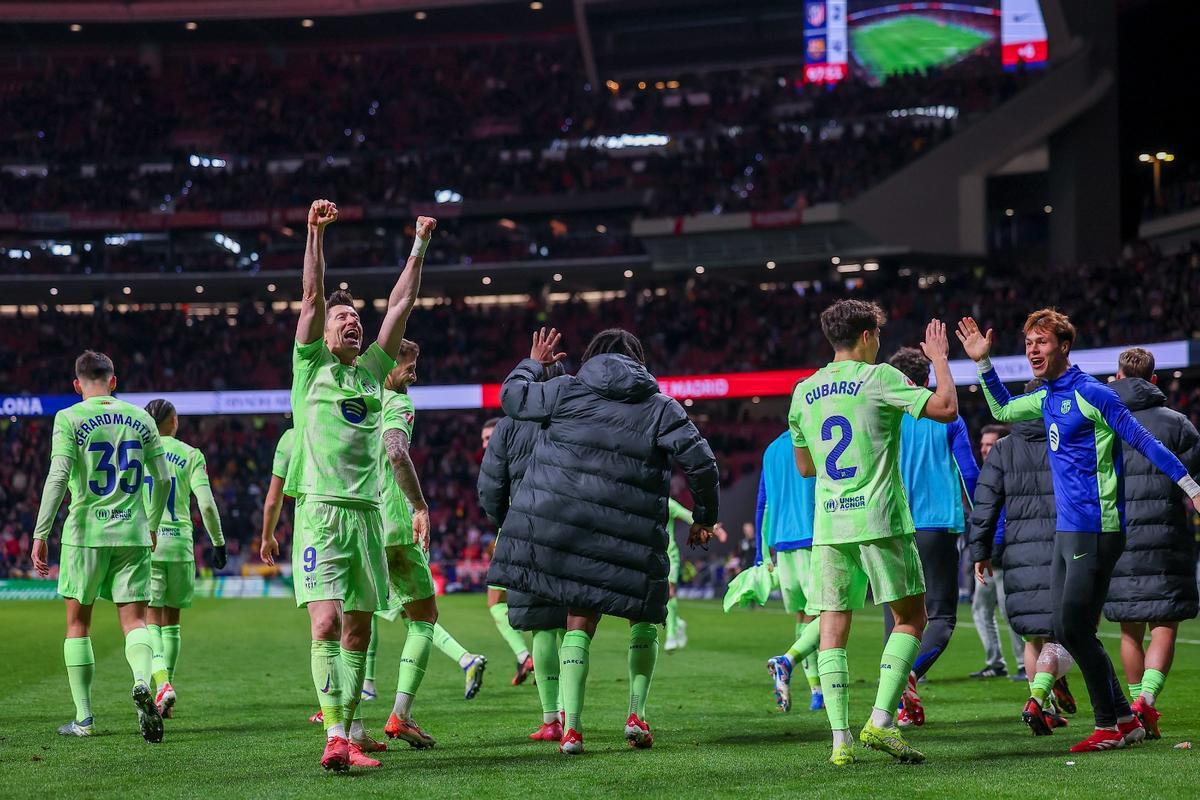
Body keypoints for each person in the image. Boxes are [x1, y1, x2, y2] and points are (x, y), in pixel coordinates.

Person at [957, 311, 1200, 753]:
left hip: (1098, 529)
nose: (1032, 349)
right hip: (1068, 533)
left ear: (1063, 346)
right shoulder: (1048, 396)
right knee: (1069, 629)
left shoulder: (1092, 393)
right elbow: (1002, 409)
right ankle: (1125, 718)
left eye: (1042, 342)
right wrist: (983, 364)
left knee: (1073, 627)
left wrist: (1191, 488)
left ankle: (1111, 724)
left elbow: (1145, 441)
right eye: (1029, 342)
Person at [488, 327, 720, 755]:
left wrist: (534, 363)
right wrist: (704, 518)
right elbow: (702, 463)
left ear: (591, 357)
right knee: (644, 619)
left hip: (569, 527)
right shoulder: (660, 407)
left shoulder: (564, 391)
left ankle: (571, 729)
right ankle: (636, 715)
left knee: (579, 619)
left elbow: (512, 399)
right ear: (639, 360)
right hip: (635, 531)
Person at [281, 198, 434, 772]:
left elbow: (402, 303)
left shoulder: (371, 375)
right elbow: (312, 296)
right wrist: (314, 232)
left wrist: (419, 243)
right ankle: (333, 739)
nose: (353, 320)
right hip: (321, 510)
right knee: (324, 622)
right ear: (324, 331)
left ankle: (345, 733)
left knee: (359, 629)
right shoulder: (310, 368)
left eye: (357, 319)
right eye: (344, 318)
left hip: (367, 516)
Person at [790, 301, 958, 766]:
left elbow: (805, 467)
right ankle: (881, 722)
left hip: (829, 522)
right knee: (911, 618)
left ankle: (840, 741)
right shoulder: (880, 377)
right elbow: (945, 407)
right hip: (879, 517)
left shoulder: (803, 391)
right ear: (867, 336)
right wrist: (940, 360)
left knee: (832, 627)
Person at [30, 350, 172, 742]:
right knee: (135, 621)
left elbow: (58, 477)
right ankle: (143, 681)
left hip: (85, 534)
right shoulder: (142, 418)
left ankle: (84, 719)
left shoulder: (69, 417)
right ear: (114, 381)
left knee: (78, 624)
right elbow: (162, 479)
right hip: (132, 532)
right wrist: (153, 522)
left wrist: (40, 533)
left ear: (77, 385)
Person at [375, 339, 487, 748]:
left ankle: (345, 730)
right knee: (423, 616)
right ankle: (401, 715)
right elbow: (396, 452)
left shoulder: (355, 398)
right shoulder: (398, 404)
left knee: (351, 621)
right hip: (394, 525)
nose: (415, 372)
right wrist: (420, 505)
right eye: (408, 362)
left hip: (355, 526)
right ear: (389, 362)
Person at [1104, 347, 1200, 739]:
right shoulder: (1179, 423)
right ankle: (1146, 701)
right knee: (1164, 620)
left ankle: (1134, 705)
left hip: (1120, 531)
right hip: (1166, 532)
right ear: (1155, 380)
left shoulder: (1105, 419)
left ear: (1119, 377)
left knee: (1129, 627)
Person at [966, 393, 1076, 736]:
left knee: (1032, 634)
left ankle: (1043, 706)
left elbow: (984, 506)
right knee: (1068, 632)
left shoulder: (1003, 449)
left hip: (1019, 551)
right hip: (1064, 544)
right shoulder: (1067, 439)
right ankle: (1045, 690)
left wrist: (979, 552)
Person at [882, 347, 980, 727]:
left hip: (892, 526)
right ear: (926, 380)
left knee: (898, 617)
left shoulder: (887, 415)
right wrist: (986, 524)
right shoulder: (946, 420)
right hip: (936, 526)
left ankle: (900, 706)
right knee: (940, 616)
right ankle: (911, 674)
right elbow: (969, 475)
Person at [478, 361, 569, 742]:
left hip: (526, 531)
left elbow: (489, 487)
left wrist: (509, 522)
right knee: (574, 625)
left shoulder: (508, 426)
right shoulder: (573, 419)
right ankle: (573, 717)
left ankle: (552, 719)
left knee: (543, 626)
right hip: (571, 530)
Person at [141, 399, 227, 719]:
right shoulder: (191, 454)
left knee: (150, 619)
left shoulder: (136, 453)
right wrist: (218, 542)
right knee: (172, 623)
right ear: (174, 421)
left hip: (146, 544)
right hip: (179, 546)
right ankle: (167, 688)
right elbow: (205, 504)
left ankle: (161, 684)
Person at [761, 430, 823, 714]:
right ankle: (788, 663)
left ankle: (816, 692)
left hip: (782, 544)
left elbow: (762, 502)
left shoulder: (771, 449)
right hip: (812, 537)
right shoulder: (814, 439)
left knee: (804, 616)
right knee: (828, 615)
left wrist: (759, 554)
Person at [480, 418, 535, 687]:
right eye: (483, 440)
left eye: (489, 438)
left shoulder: (502, 460)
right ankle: (543, 661)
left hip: (512, 534)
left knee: (495, 599)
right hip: (536, 530)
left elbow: (493, 498)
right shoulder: (526, 452)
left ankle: (525, 656)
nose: (485, 444)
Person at [968, 424, 1026, 681]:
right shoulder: (986, 474)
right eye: (982, 445)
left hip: (1004, 555)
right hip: (988, 555)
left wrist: (997, 549)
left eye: (990, 444)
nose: (984, 449)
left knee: (1009, 610)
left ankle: (1025, 664)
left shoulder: (1011, 473)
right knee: (980, 609)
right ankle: (995, 662)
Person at [664, 498, 695, 652]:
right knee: (658, 599)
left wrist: (711, 525)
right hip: (650, 557)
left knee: (669, 592)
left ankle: (670, 636)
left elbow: (688, 515)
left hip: (669, 555)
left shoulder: (668, 504)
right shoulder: (642, 501)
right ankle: (678, 623)